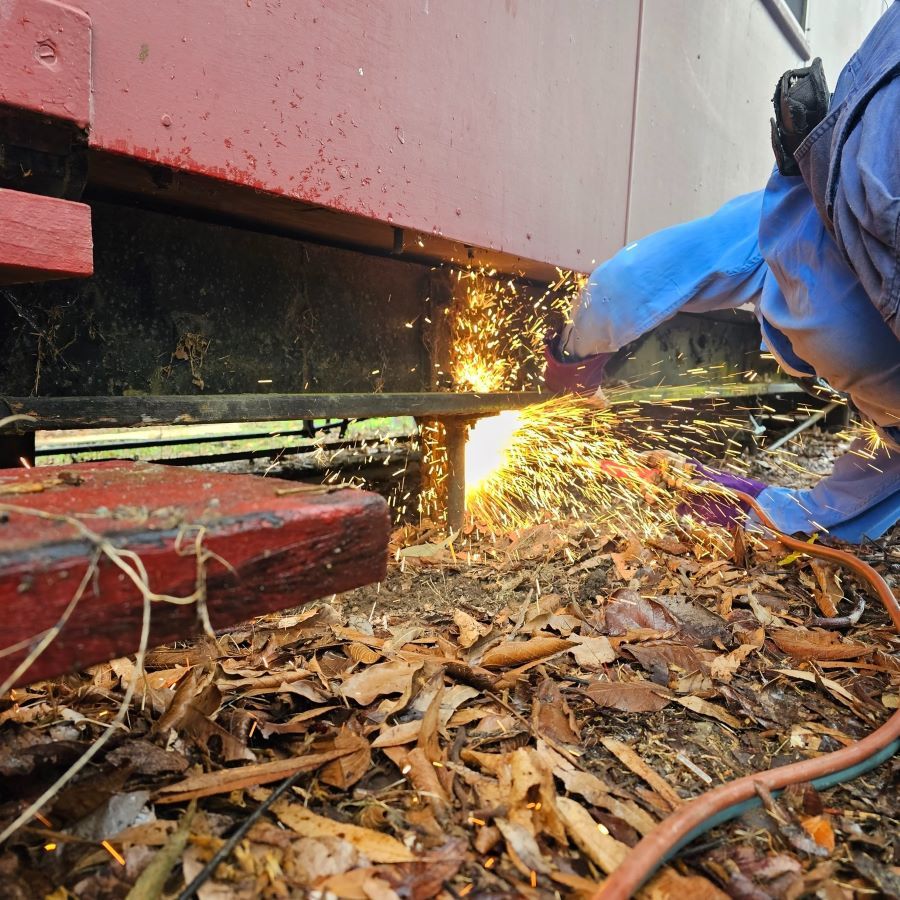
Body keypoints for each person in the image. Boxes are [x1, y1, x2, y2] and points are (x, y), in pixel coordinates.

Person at [544, 2, 900, 543]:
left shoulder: (789, 226)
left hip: (834, 241)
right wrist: (759, 508)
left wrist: (571, 363)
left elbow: (627, 283)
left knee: (792, 237)